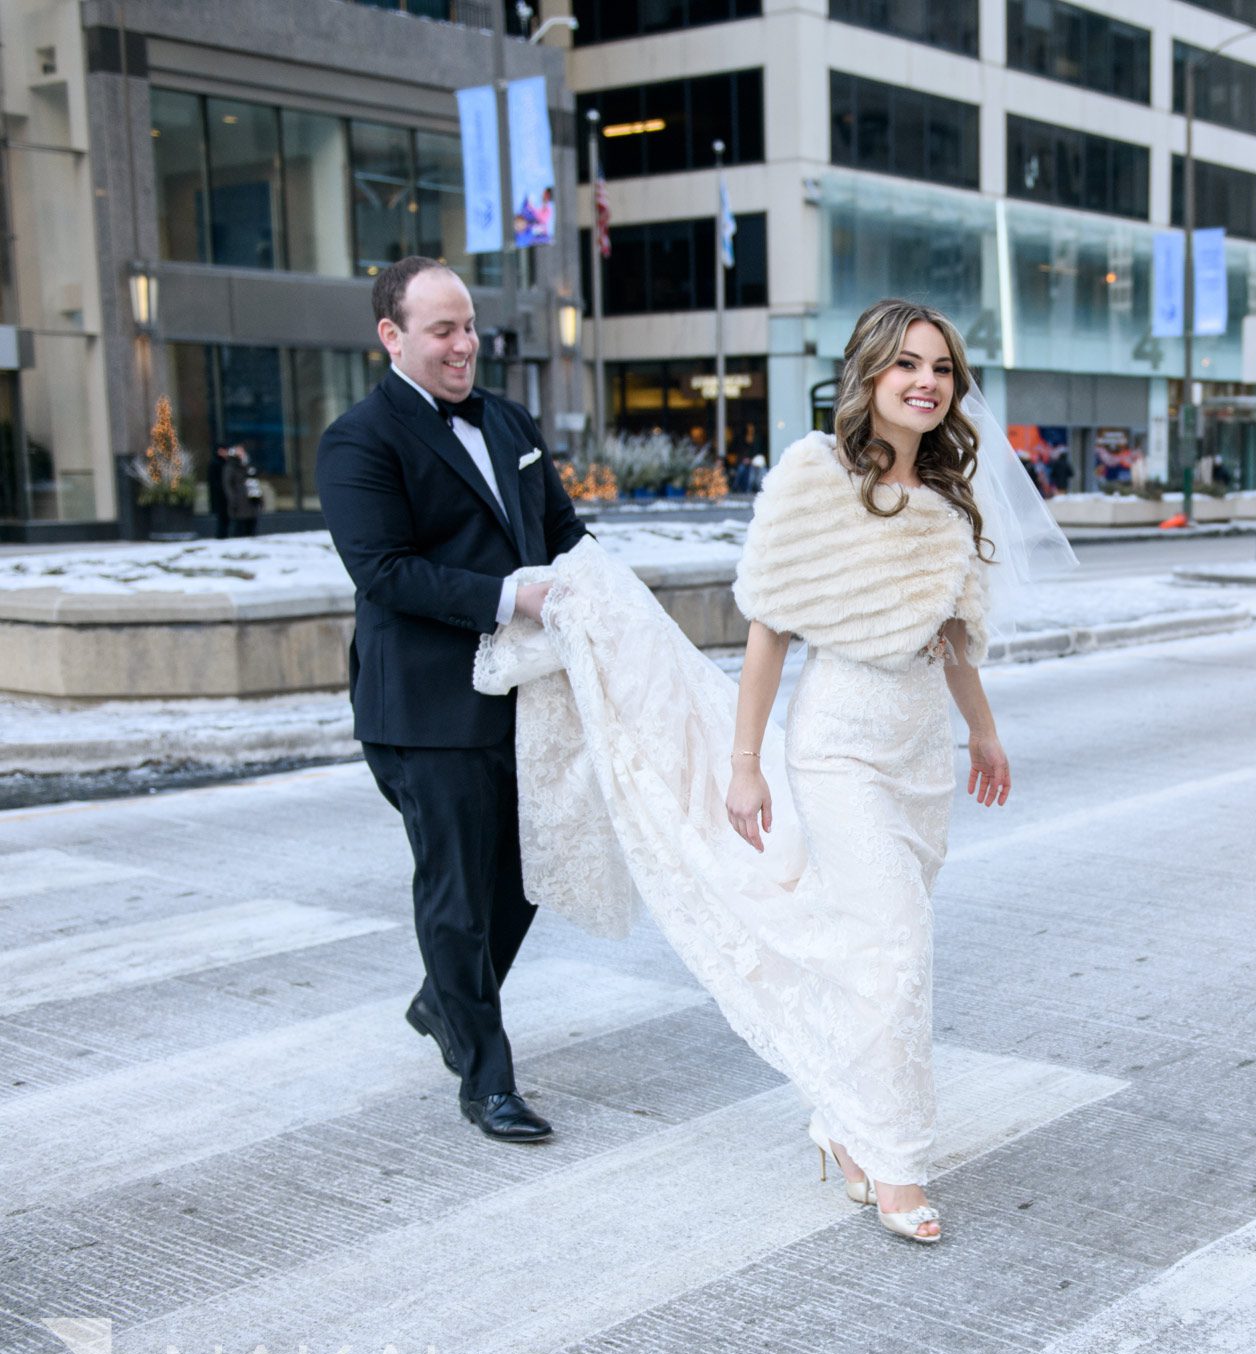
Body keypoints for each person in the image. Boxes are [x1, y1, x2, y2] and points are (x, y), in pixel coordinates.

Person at [477, 298, 1075, 1243]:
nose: (927, 382)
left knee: (871, 948)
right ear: (869, 377)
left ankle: (839, 1125)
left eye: (943, 368)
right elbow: (768, 629)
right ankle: (894, 1160)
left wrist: (985, 735)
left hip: (919, 751)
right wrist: (744, 763)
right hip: (836, 743)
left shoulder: (952, 499)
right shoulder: (815, 477)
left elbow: (957, 641)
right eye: (906, 365)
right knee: (895, 949)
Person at [317, 257, 588, 1145]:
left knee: (528, 877)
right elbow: (384, 571)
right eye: (443, 329)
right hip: (427, 708)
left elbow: (561, 533)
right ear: (391, 336)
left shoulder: (508, 419)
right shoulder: (359, 439)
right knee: (457, 897)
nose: (464, 343)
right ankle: (487, 1080)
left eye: (468, 325)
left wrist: (600, 593)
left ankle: (445, 1002)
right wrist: (514, 595)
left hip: (523, 696)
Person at [224, 445, 262, 537]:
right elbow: (228, 484)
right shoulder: (231, 467)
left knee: (251, 526)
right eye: (240, 452)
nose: (242, 454)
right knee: (239, 528)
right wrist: (233, 499)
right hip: (240, 501)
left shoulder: (248, 466)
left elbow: (254, 481)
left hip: (251, 499)